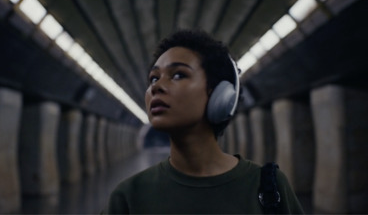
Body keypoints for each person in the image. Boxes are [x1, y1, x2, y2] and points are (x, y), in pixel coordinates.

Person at [105, 30, 304, 214]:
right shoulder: (129, 197)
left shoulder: (269, 189)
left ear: (220, 95)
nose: (157, 87)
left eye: (178, 75)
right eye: (154, 79)